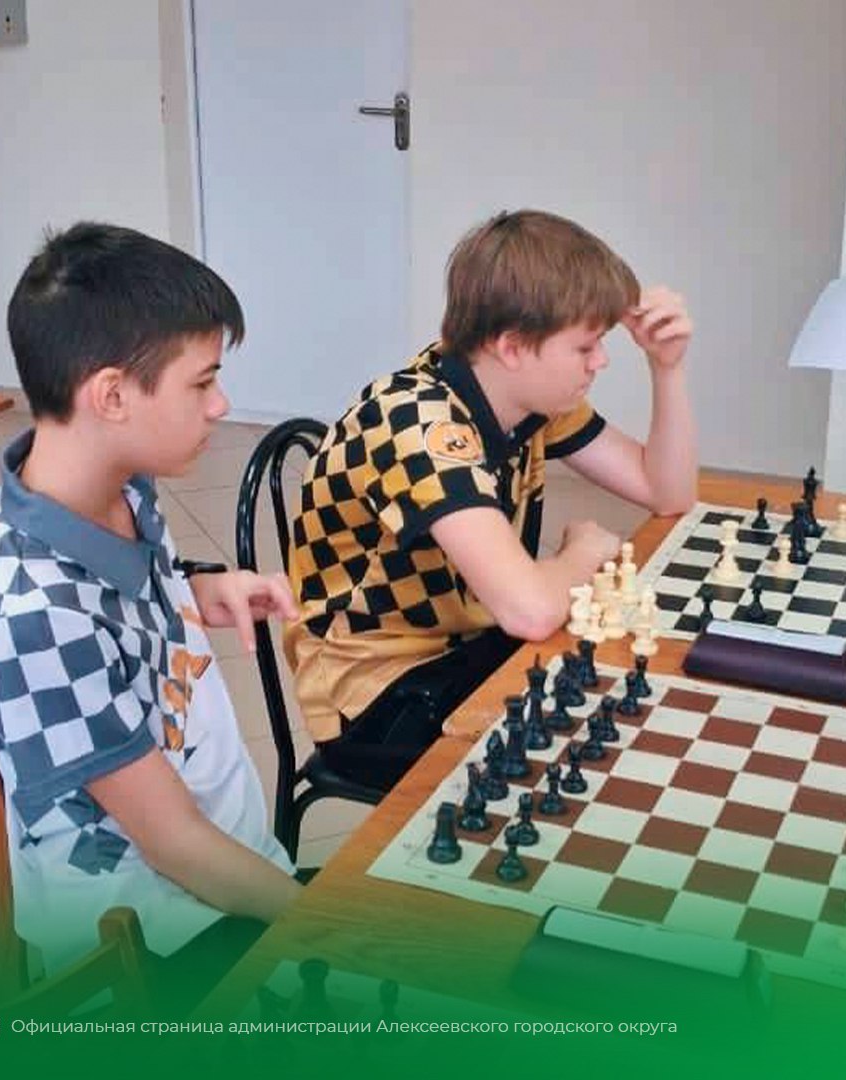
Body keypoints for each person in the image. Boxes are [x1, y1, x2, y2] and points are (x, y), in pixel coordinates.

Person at [0, 223, 302, 1004]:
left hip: (222, 862)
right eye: (201, 384)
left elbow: (123, 609)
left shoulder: (118, 483)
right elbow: (175, 846)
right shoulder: (32, 612)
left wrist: (198, 591)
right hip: (154, 945)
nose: (221, 405)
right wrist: (328, 924)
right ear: (111, 395)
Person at [285, 209, 697, 787]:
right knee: (607, 739)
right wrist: (580, 554)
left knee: (631, 686)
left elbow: (668, 492)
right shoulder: (418, 424)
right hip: (377, 699)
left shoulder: (529, 400)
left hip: (472, 647)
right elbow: (530, 610)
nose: (600, 361)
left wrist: (667, 369)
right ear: (512, 346)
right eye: (585, 346)